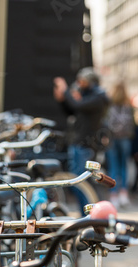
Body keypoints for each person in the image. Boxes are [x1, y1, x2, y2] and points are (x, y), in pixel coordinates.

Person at [53, 67, 109, 211]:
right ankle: (87, 212)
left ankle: (92, 212)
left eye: (82, 81)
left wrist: (66, 91)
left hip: (85, 145)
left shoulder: (98, 97)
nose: (79, 84)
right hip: (78, 143)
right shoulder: (89, 97)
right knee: (78, 181)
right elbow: (72, 110)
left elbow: (78, 105)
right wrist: (63, 99)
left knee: (82, 181)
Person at [105, 82, 135, 209]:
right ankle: (123, 194)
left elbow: (105, 122)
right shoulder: (128, 106)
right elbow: (133, 124)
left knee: (113, 167)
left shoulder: (109, 104)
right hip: (125, 139)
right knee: (124, 166)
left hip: (111, 139)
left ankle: (113, 195)